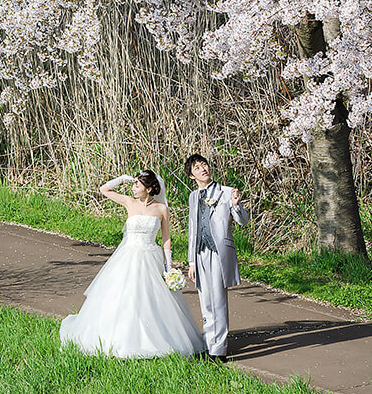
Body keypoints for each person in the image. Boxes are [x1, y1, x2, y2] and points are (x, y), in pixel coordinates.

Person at [60, 170, 206, 359]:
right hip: (128, 256)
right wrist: (122, 179)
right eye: (133, 184)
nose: (133, 187)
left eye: (137, 184)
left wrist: (169, 266)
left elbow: (166, 239)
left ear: (150, 188)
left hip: (151, 257)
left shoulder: (162, 209)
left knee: (151, 299)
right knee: (122, 297)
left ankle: (156, 339)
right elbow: (104, 189)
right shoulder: (129, 202)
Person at [184, 153, 249, 361]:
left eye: (204, 164)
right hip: (200, 253)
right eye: (197, 168)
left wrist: (237, 206)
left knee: (218, 300)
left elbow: (243, 221)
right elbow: (193, 228)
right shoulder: (193, 196)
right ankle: (208, 343)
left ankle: (218, 350)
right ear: (192, 175)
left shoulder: (227, 192)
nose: (203, 169)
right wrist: (191, 261)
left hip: (219, 252)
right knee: (206, 301)